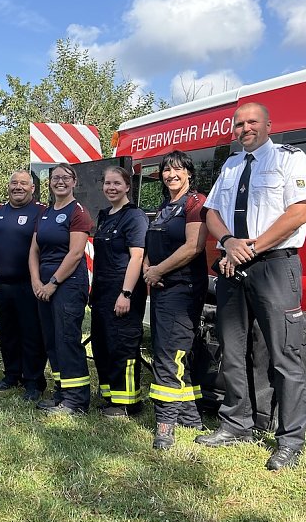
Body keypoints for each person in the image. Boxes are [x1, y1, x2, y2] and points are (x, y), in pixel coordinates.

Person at [197, 102, 306, 471]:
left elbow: (298, 212)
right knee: (232, 351)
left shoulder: (290, 159)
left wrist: (250, 247)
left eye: (252, 122)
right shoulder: (231, 165)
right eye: (239, 123)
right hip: (234, 267)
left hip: (275, 266)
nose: (245, 128)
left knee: (285, 356)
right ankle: (238, 424)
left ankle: (290, 440)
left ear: (268, 124)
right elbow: (211, 213)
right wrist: (230, 242)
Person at [142, 151, 209, 449]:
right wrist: (147, 270)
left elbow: (193, 246)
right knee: (181, 352)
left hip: (182, 288)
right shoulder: (164, 207)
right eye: (167, 170)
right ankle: (190, 416)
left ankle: (165, 424)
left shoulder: (195, 202)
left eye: (178, 169)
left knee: (169, 355)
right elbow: (150, 243)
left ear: (189, 173)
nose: (171, 174)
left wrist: (157, 270)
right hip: (160, 287)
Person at [29, 163, 94, 415]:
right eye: (55, 177)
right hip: (43, 285)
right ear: (49, 182)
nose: (60, 182)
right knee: (52, 340)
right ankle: (61, 392)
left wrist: (52, 283)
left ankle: (76, 400)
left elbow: (76, 253)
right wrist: (36, 281)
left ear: (74, 181)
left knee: (67, 339)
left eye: (65, 178)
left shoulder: (78, 212)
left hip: (67, 284)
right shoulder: (44, 213)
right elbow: (34, 250)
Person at [0, 170, 47, 401]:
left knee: (31, 333)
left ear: (32, 188)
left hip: (31, 284)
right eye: (14, 183)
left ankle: (34, 380)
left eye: (23, 183)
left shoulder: (41, 212)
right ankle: (11, 375)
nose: (18, 187)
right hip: (3, 284)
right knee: (7, 332)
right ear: (8, 187)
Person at [90, 166, 148, 417]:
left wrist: (126, 294)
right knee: (102, 344)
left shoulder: (134, 217)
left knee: (122, 345)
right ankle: (111, 396)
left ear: (127, 186)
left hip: (123, 289)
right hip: (102, 290)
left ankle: (127, 403)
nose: (111, 188)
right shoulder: (105, 215)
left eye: (117, 183)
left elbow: (137, 257)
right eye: (107, 183)